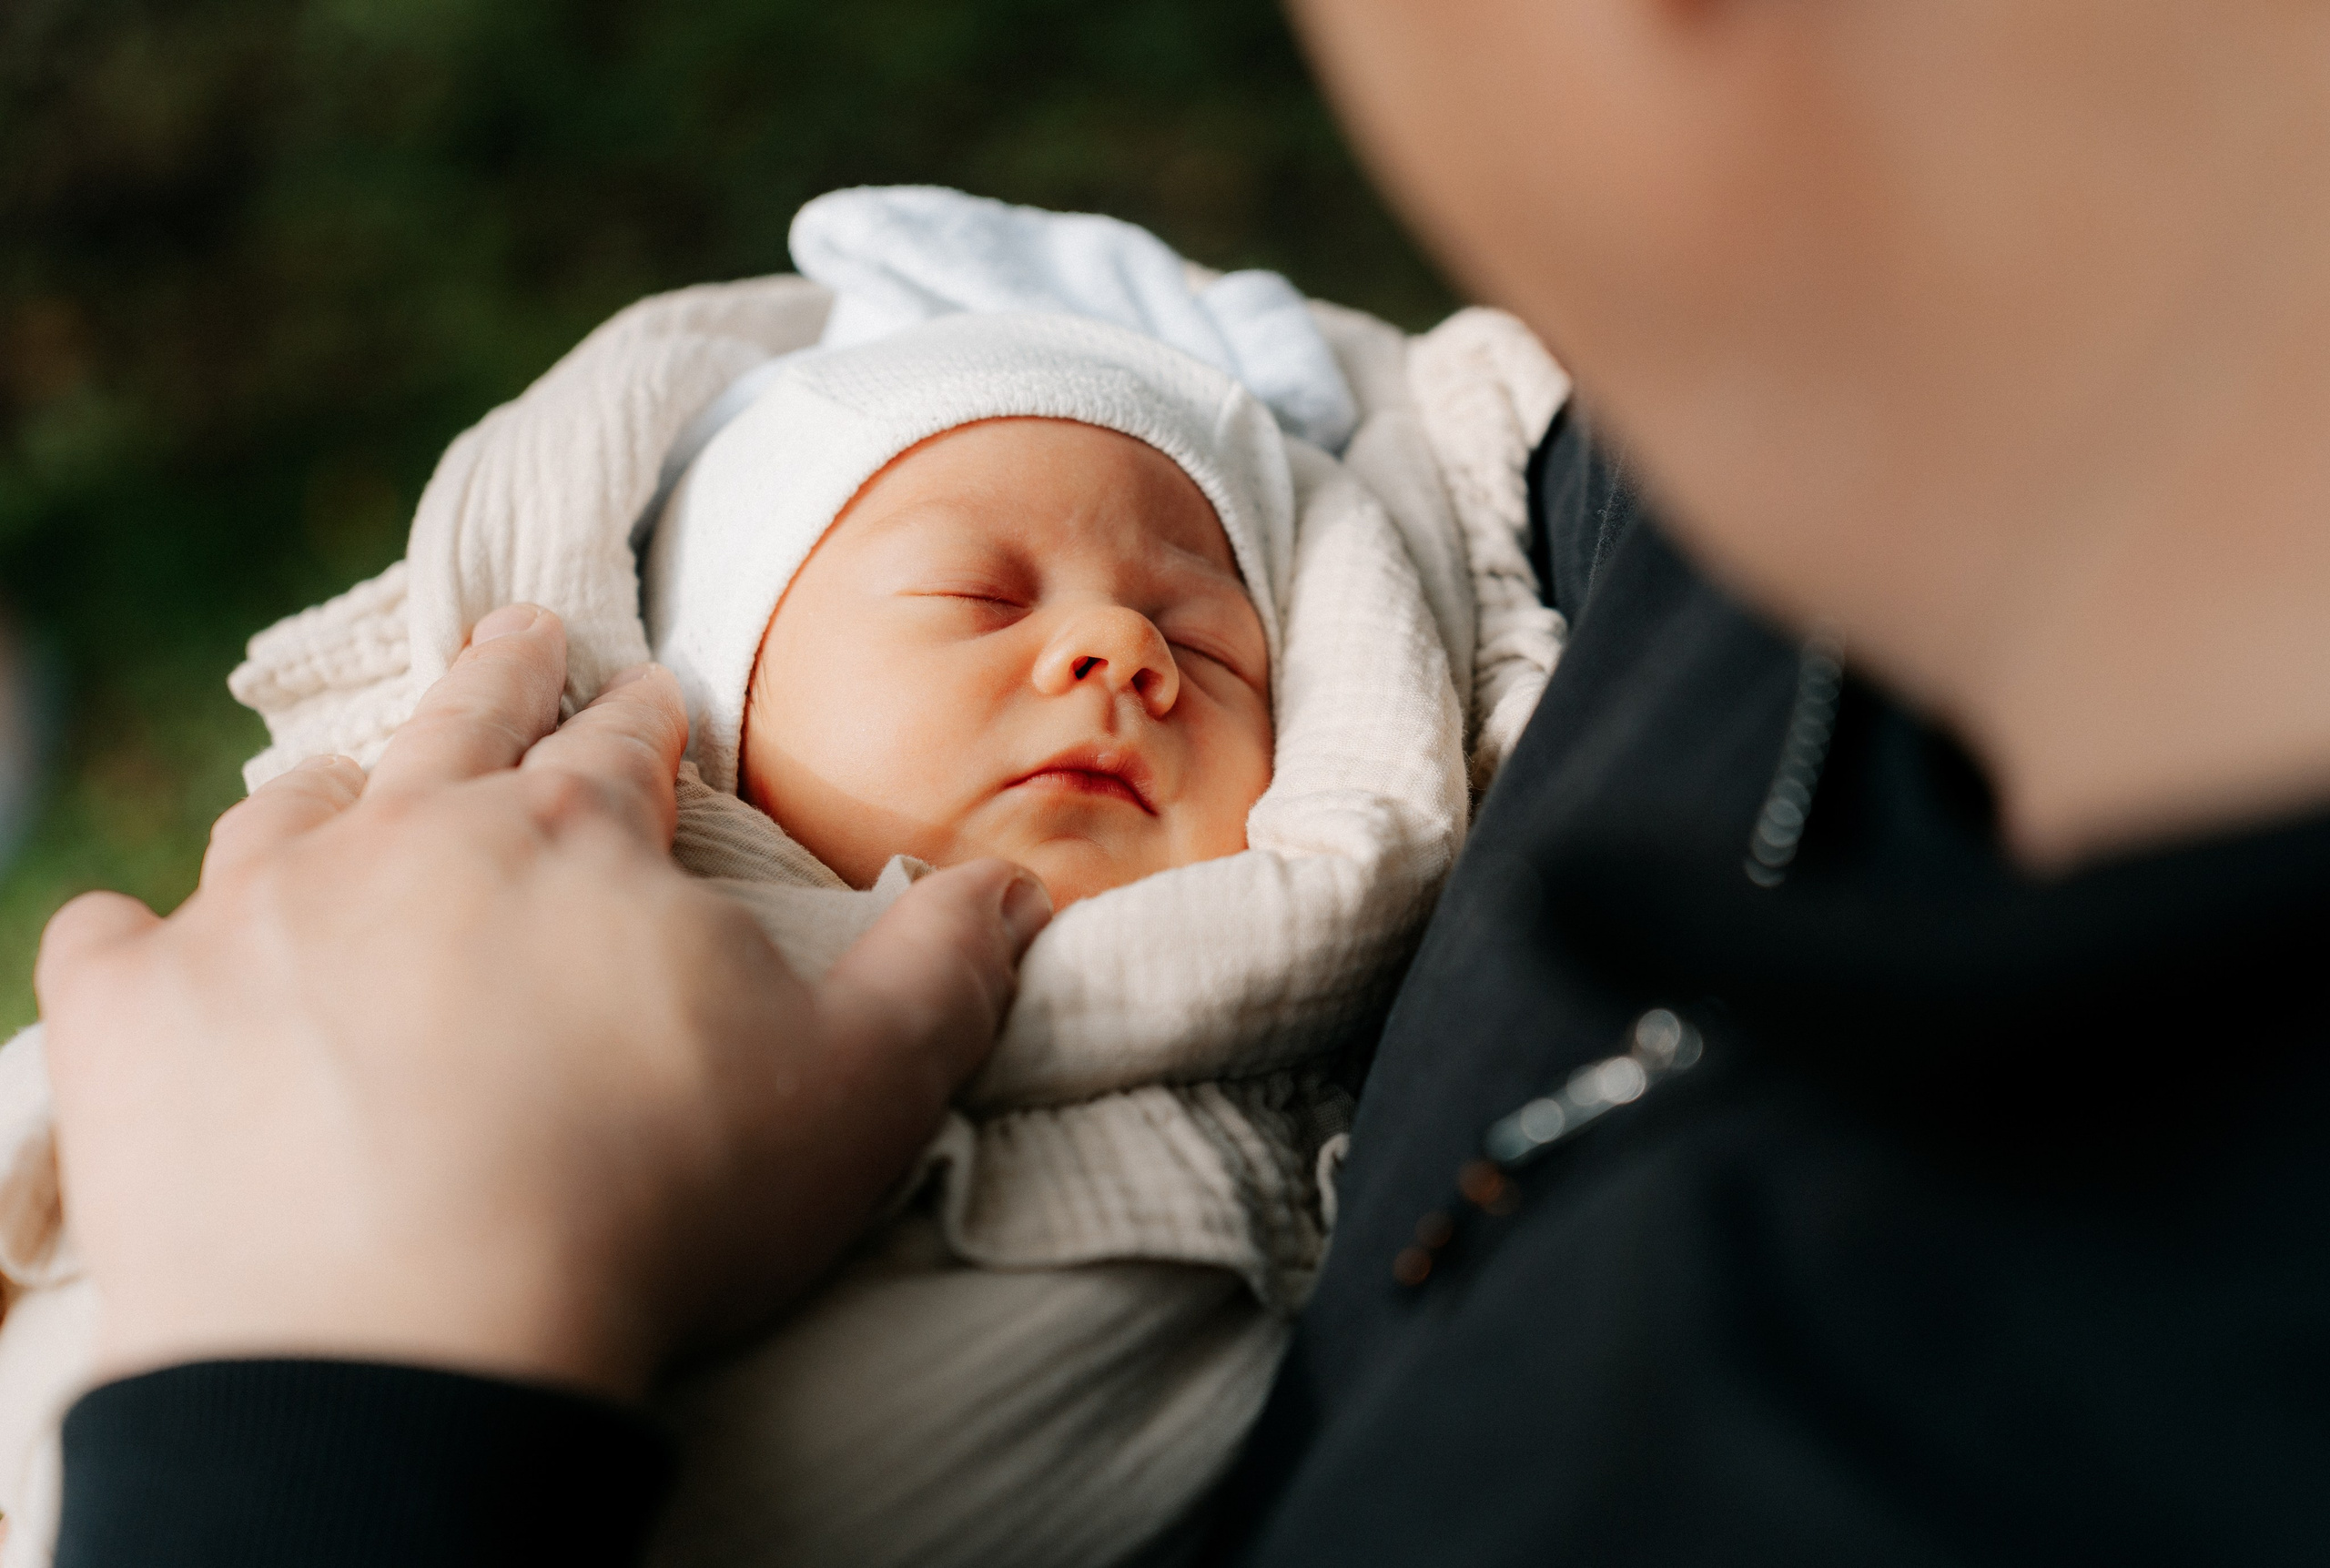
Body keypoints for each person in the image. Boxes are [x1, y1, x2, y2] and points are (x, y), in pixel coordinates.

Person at [31, 0, 2330, 1562]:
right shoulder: (1614, 534)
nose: (1122, 650)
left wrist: (326, 1409)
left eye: (1208, 630)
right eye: (969, 601)